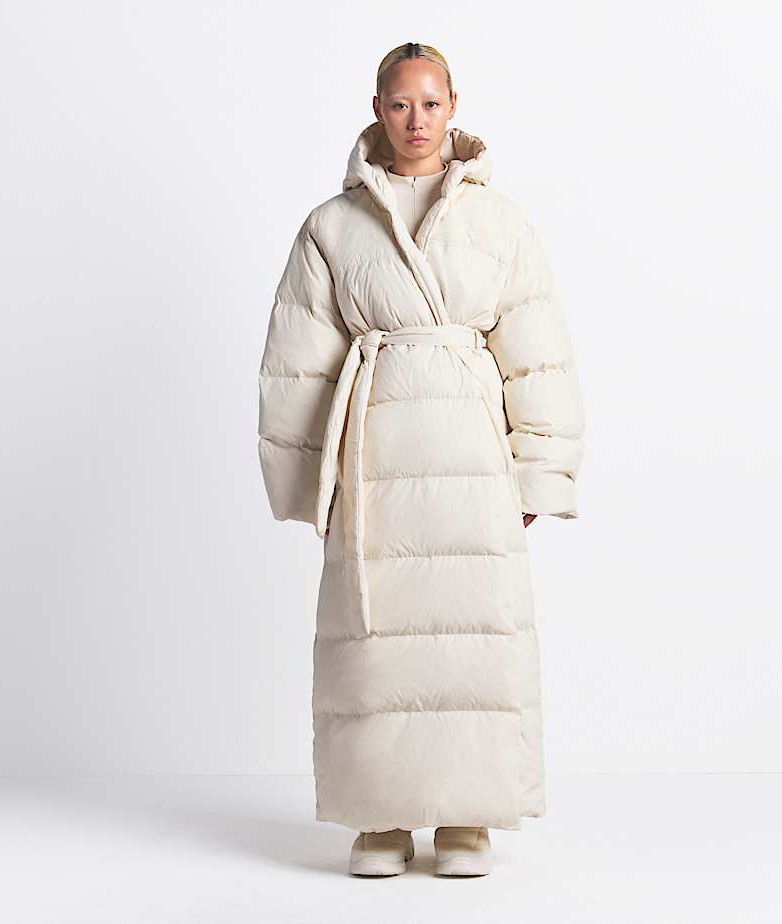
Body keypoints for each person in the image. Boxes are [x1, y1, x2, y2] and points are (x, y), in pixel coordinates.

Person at [257, 42, 585, 877]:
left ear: (453, 107)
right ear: (377, 108)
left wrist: (539, 469)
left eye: (431, 104)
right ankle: (382, 818)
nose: (416, 121)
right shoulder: (331, 226)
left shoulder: (499, 222)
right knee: (380, 644)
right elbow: (299, 361)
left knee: (473, 633)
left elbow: (536, 353)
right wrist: (308, 483)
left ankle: (471, 815)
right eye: (400, 104)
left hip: (471, 456)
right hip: (375, 459)